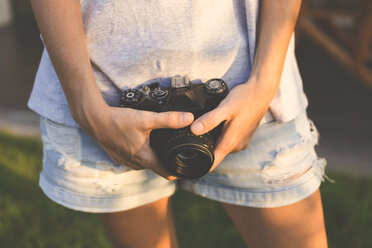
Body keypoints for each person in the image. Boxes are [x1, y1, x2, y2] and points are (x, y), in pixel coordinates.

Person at [28, 0, 328, 247]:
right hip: (109, 103)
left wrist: (265, 83)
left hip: (250, 95)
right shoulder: (98, 109)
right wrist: (88, 109)